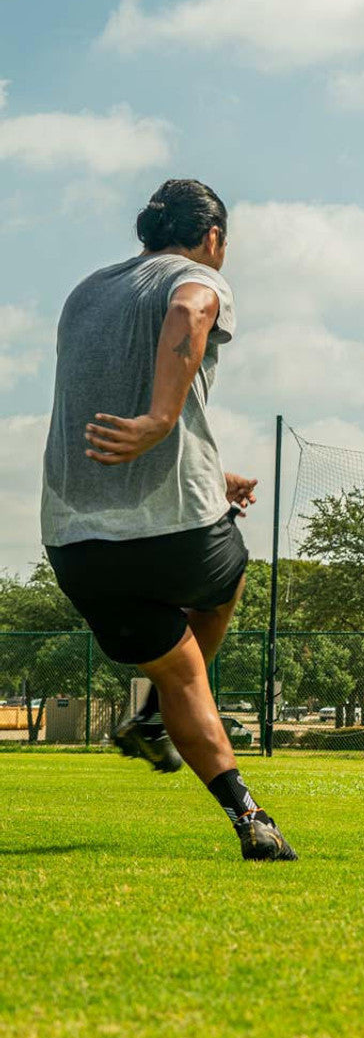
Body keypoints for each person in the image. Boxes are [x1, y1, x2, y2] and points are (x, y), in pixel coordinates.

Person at [41, 178, 296, 861]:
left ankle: (245, 813)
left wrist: (211, 471)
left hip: (76, 540)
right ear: (212, 237)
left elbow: (98, 402)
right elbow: (192, 308)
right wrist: (159, 420)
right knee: (226, 578)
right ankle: (153, 720)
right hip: (174, 534)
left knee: (181, 672)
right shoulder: (195, 275)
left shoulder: (86, 292)